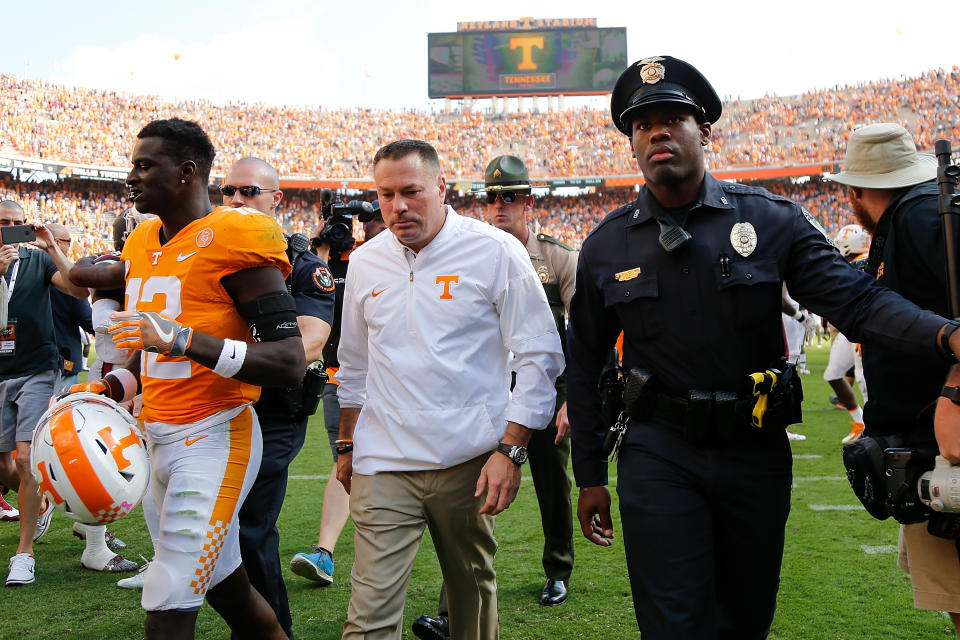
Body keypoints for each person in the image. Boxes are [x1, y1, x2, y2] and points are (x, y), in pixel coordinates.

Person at [566, 57, 960, 640]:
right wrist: (590, 473)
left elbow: (859, 303)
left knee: (745, 617)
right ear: (631, 144)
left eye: (673, 117)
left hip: (753, 447)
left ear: (705, 131)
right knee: (672, 619)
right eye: (642, 124)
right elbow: (586, 359)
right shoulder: (605, 245)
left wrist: (948, 335)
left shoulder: (772, 221)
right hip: (659, 451)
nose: (657, 132)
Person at [64, 118, 303, 639]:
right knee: (227, 588)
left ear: (186, 173)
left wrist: (182, 339)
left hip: (216, 435)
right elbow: (147, 351)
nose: (131, 176)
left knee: (169, 596)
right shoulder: (143, 239)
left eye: (145, 165)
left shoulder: (237, 235)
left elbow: (288, 360)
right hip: (157, 435)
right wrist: (115, 386)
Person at [336, 139, 564, 640]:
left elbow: (539, 355)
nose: (398, 206)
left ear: (441, 187)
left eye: (412, 192)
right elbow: (353, 364)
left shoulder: (495, 250)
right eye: (386, 194)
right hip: (384, 458)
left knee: (471, 597)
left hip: (469, 460)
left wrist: (511, 449)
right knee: (368, 613)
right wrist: (348, 442)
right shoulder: (365, 262)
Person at [411, 154, 576, 639]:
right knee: (465, 491)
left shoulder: (558, 257)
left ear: (527, 201)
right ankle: (451, 608)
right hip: (485, 386)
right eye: (490, 198)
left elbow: (586, 332)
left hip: (546, 384)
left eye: (509, 197)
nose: (499, 206)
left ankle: (557, 570)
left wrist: (575, 398)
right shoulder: (471, 252)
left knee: (551, 478)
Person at [826, 123, 960, 631]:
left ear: (856, 189)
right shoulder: (919, 215)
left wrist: (954, 392)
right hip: (933, 446)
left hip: (947, 443)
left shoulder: (921, 217)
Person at [221, 157, 333, 640]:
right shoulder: (213, 253)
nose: (237, 201)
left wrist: (217, 353)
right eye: (228, 192)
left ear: (275, 200)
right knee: (216, 528)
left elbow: (308, 342)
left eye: (249, 191)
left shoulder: (305, 267)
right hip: (216, 405)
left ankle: (272, 631)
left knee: (249, 526)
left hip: (273, 412)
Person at [289, 203, 385, 586]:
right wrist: (323, 243)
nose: (375, 225)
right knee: (345, 458)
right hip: (342, 380)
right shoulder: (344, 262)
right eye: (369, 220)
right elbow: (311, 282)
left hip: (394, 382)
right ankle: (325, 552)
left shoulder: (398, 262)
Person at [0, 200, 90, 587]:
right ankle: (42, 500)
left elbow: (78, 288)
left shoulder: (37, 261)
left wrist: (52, 246)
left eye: (19, 223)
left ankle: (24, 553)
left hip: (38, 367)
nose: (12, 229)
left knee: (24, 458)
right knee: (6, 465)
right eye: (4, 223)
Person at [824, 223, 871, 444]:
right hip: (850, 325)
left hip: (864, 327)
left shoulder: (862, 263)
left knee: (864, 379)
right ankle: (859, 421)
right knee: (833, 373)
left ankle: (873, 431)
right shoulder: (859, 261)